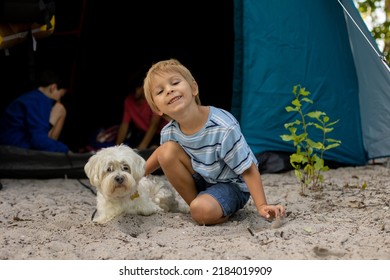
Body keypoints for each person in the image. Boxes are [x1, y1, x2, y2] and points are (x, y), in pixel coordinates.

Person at [143, 58, 286, 226]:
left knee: (200, 211)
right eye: (160, 91)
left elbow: (248, 169)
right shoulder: (169, 132)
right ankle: (199, 205)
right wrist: (138, 174)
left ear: (194, 88)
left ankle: (206, 209)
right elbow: (161, 155)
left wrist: (261, 205)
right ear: (157, 109)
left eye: (175, 82)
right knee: (165, 152)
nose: (169, 90)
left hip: (230, 185)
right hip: (202, 178)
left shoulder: (223, 127)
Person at [0, 69, 69, 153]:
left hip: (10, 143)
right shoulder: (39, 101)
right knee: (60, 109)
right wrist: (66, 150)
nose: (59, 99)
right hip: (15, 148)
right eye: (60, 95)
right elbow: (38, 141)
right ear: (53, 87)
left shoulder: (31, 98)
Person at [115, 68, 167, 150]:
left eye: (138, 87)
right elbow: (124, 125)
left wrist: (142, 147)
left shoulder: (153, 98)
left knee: (154, 150)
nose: (135, 91)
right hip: (143, 134)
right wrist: (116, 148)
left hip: (162, 134)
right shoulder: (128, 101)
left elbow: (154, 124)